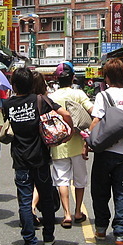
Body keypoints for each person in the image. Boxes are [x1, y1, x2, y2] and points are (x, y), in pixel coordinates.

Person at [4, 67, 70, 245]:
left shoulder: (7, 104)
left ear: (14, 85)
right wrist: (66, 134)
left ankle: (30, 242)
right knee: (46, 197)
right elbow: (65, 114)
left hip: (20, 159)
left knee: (25, 201)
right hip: (40, 158)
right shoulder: (40, 101)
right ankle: (48, 236)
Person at [84, 58, 123, 245]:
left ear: (107, 77)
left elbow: (96, 122)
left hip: (103, 154)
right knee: (122, 193)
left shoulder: (103, 96)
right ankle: (121, 235)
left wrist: (87, 143)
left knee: (100, 193)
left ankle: (101, 229)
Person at [48, 61, 92, 228]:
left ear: (57, 79)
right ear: (73, 77)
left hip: (58, 144)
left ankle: (66, 214)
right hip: (78, 144)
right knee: (80, 180)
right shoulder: (79, 94)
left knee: (62, 180)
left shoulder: (51, 97)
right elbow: (92, 110)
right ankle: (78, 211)